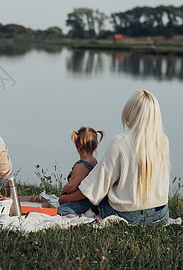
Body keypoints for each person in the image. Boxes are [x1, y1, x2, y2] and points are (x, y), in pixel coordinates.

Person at [60, 90, 171, 226]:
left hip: (128, 216)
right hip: (160, 216)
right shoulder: (163, 141)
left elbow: (94, 188)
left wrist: (66, 199)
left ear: (130, 112)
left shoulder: (120, 142)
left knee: (88, 201)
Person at [57, 127, 104, 216]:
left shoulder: (81, 167)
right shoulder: (94, 162)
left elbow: (72, 186)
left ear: (76, 145)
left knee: (60, 210)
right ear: (96, 145)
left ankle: (81, 215)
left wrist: (64, 189)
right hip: (91, 201)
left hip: (80, 201)